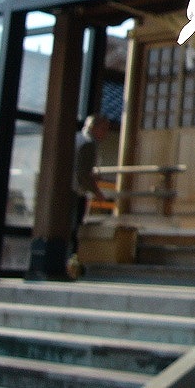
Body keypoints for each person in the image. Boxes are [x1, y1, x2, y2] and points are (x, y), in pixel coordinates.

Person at [69, 114, 111, 273]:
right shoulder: (88, 144)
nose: (105, 133)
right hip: (75, 191)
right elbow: (83, 174)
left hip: (69, 189)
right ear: (94, 128)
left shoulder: (77, 138)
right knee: (75, 227)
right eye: (103, 129)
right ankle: (73, 262)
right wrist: (97, 191)